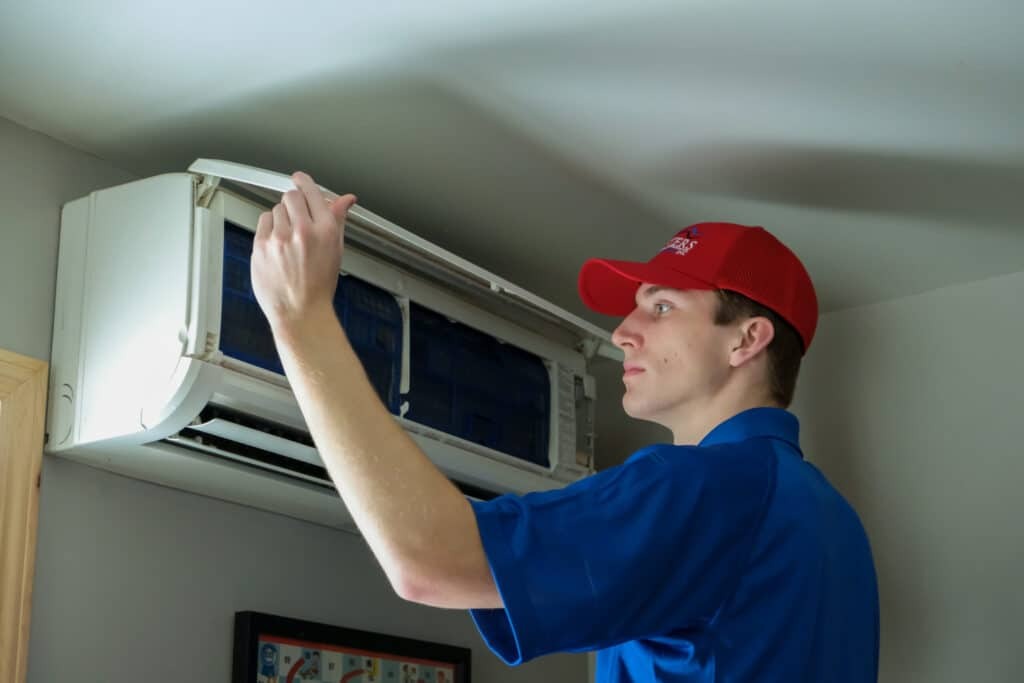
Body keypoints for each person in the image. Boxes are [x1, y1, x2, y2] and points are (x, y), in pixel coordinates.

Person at [251, 172, 880, 682]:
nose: (623, 332)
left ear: (747, 339)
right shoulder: (830, 519)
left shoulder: (703, 488)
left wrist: (299, 317)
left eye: (661, 307)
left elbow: (428, 559)